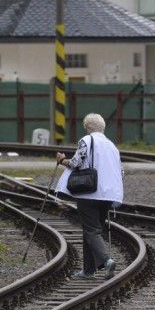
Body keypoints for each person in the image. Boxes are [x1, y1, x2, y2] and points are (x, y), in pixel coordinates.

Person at [55, 113, 124, 279]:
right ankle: (88, 270)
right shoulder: (112, 146)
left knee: (91, 231)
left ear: (88, 127)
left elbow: (75, 163)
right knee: (92, 230)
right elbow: (121, 171)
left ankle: (107, 261)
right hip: (108, 195)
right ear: (102, 127)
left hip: (89, 192)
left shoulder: (86, 140)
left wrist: (61, 160)